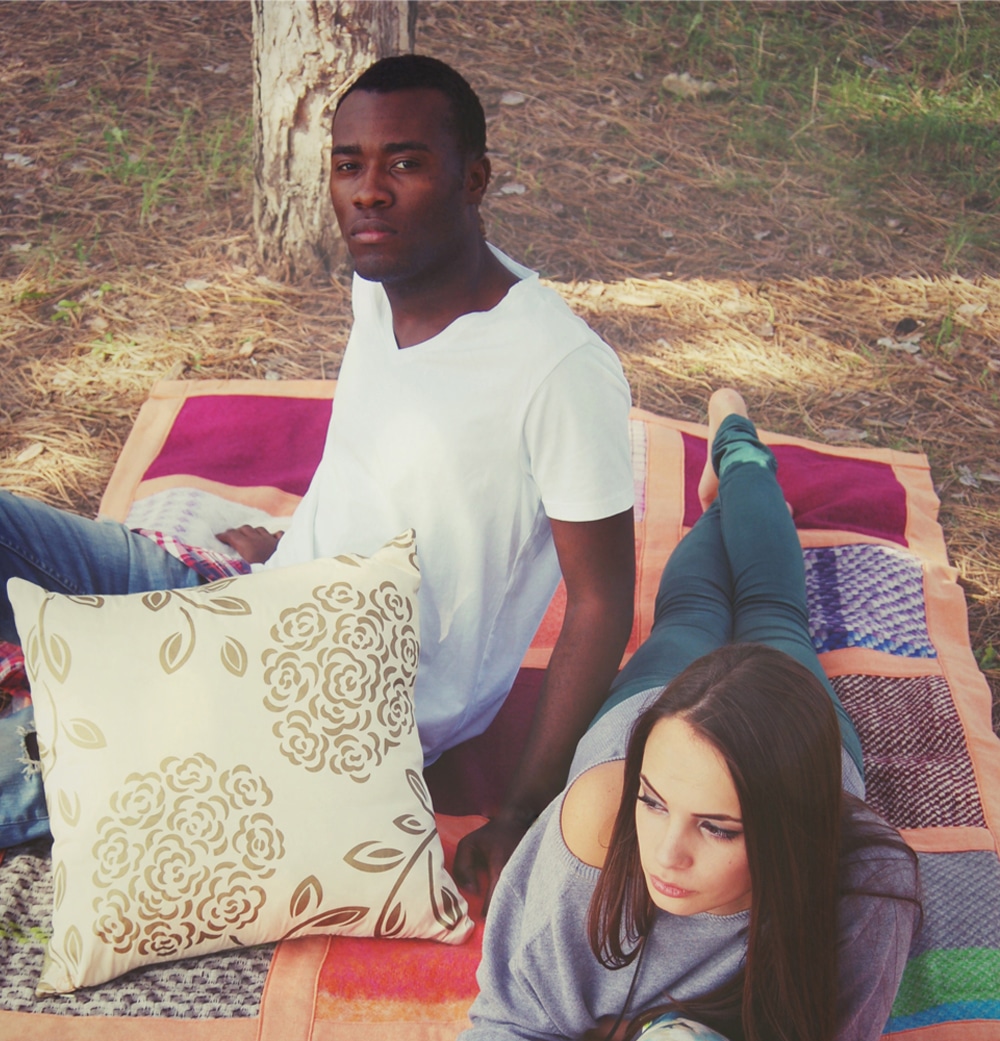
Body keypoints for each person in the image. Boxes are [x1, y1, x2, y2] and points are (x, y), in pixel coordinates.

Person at [0, 56, 637, 893]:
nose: (368, 192)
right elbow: (396, 457)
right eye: (349, 164)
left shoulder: (557, 370)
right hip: (245, 597)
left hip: (329, 712)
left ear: (473, 179)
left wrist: (520, 812)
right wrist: (303, 535)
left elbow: (601, 602)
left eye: (404, 163)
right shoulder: (383, 280)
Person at [446, 388, 921, 1041]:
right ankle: (714, 502)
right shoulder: (599, 823)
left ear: (791, 836)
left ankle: (740, 453)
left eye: (721, 829)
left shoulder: (863, 884)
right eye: (655, 803)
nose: (665, 853)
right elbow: (519, 1026)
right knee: (693, 609)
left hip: (791, 722)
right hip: (665, 695)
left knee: (775, 612)